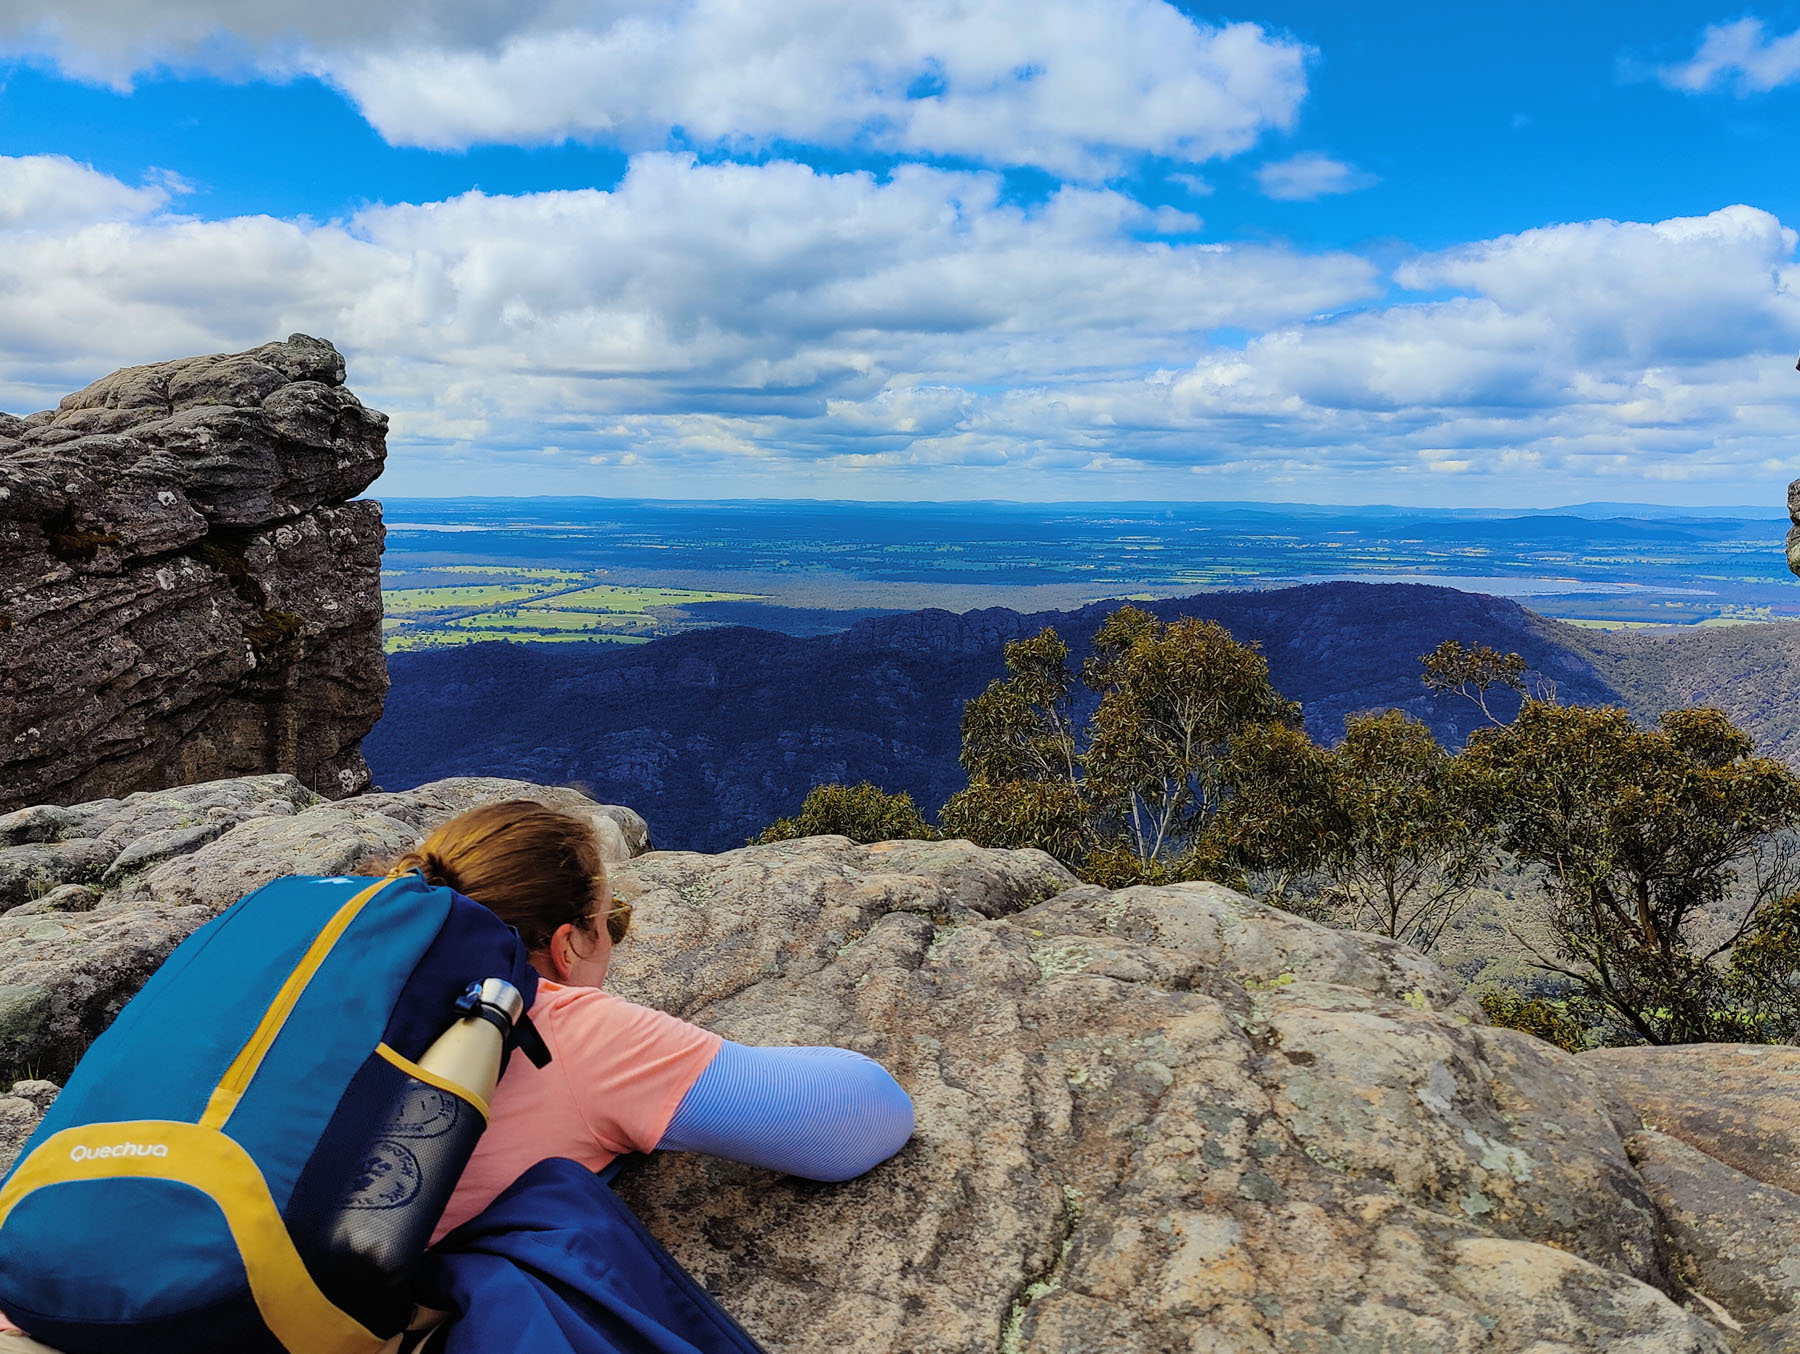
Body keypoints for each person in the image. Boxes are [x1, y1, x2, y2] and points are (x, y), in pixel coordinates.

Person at [391, 799, 916, 1242]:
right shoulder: (569, 1034)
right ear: (567, 944)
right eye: (610, 919)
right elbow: (867, 1114)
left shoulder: (370, 979)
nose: (615, 933)